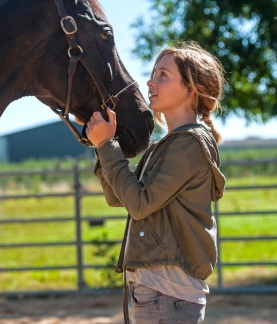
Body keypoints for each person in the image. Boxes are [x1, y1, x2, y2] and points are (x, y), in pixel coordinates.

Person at [79, 41, 226, 323]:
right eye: (153, 73)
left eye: (163, 75)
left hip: (166, 297)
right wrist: (102, 146)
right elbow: (118, 197)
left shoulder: (189, 144)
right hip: (154, 294)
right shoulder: (168, 145)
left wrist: (108, 146)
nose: (150, 81)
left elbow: (139, 204)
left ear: (190, 89)